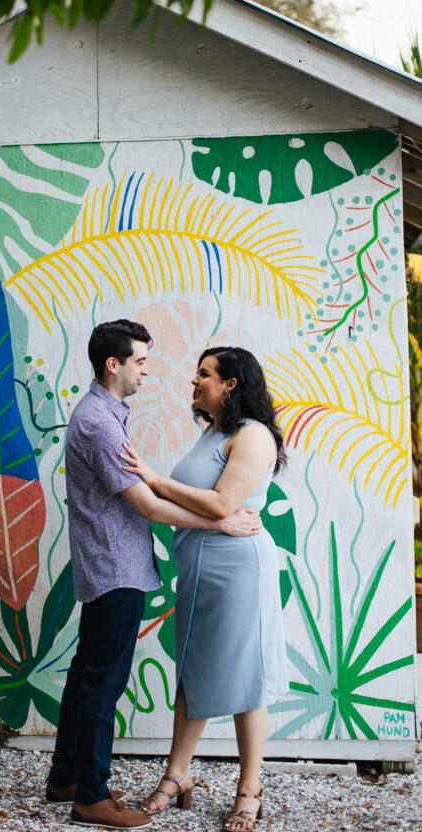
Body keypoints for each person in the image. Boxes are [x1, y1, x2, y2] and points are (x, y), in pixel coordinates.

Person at [46, 321, 262, 831]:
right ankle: (91, 798)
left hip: (112, 566)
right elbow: (148, 505)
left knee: (85, 677)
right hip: (115, 569)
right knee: (103, 683)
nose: (149, 369)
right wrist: (221, 520)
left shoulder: (107, 415)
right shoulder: (100, 422)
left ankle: (66, 778)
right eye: (141, 360)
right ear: (113, 365)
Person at [120, 346, 289, 832]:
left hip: (239, 571)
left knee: (244, 677)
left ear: (230, 383)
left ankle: (250, 790)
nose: (194, 382)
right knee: (193, 666)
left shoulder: (253, 436)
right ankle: (177, 776)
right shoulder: (213, 433)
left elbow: (222, 503)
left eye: (204, 375)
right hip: (198, 569)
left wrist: (151, 478)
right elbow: (212, 509)